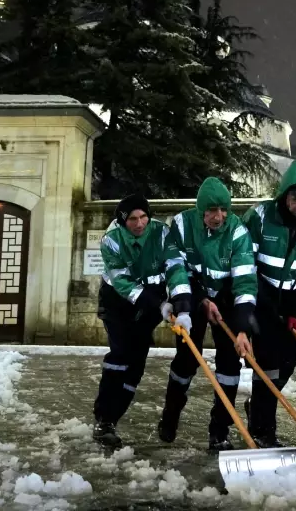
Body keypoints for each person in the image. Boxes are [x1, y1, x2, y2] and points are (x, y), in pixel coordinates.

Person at [157, 177, 258, 451]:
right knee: (188, 359)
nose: (219, 216)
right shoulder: (181, 225)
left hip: (226, 299)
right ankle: (171, 413)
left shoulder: (237, 231)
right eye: (212, 210)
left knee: (229, 365)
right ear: (201, 210)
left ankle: (219, 431)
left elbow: (245, 281)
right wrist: (191, 305)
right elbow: (176, 269)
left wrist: (242, 329)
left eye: (224, 210)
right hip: (190, 295)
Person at [93, 195, 193, 448]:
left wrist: (182, 305)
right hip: (118, 303)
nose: (139, 224)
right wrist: (158, 304)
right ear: (123, 221)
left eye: (144, 217)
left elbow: (175, 267)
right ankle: (104, 418)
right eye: (133, 219)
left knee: (136, 362)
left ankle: (114, 416)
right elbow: (123, 283)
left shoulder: (161, 234)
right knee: (120, 355)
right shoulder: (111, 241)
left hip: (151, 303)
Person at [241, 161, 296, 448]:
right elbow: (245, 260)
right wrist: (262, 300)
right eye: (295, 199)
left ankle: (256, 407)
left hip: (287, 305)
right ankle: (263, 430)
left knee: (287, 364)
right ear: (284, 196)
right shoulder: (261, 216)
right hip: (260, 300)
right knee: (268, 366)